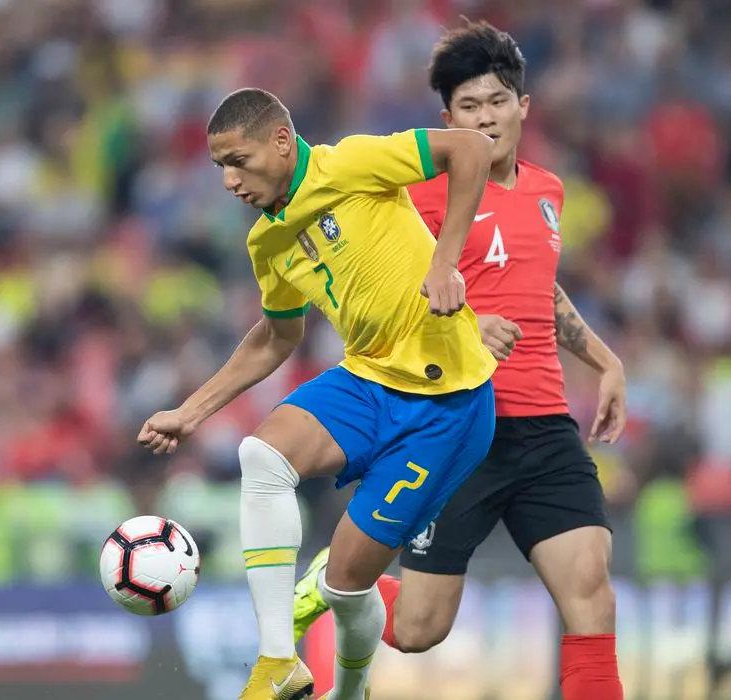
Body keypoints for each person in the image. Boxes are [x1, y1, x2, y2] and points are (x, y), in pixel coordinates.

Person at [290, 21, 627, 700]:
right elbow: (378, 290)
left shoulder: (548, 192)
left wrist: (603, 358)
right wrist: (469, 323)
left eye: (497, 101)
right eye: (468, 108)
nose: (485, 118)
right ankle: (344, 570)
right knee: (418, 629)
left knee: (590, 587)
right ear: (448, 120)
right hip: (454, 426)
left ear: (523, 107)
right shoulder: (417, 195)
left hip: (542, 427)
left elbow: (539, 285)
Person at [137, 87, 498, 700]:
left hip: (448, 405)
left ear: (281, 141)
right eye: (219, 166)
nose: (228, 180)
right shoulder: (267, 242)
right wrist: (190, 412)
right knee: (262, 456)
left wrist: (444, 260)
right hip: (368, 379)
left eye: (238, 161)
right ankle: (278, 659)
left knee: (345, 584)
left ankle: (348, 694)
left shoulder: (351, 163)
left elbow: (470, 148)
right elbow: (276, 338)